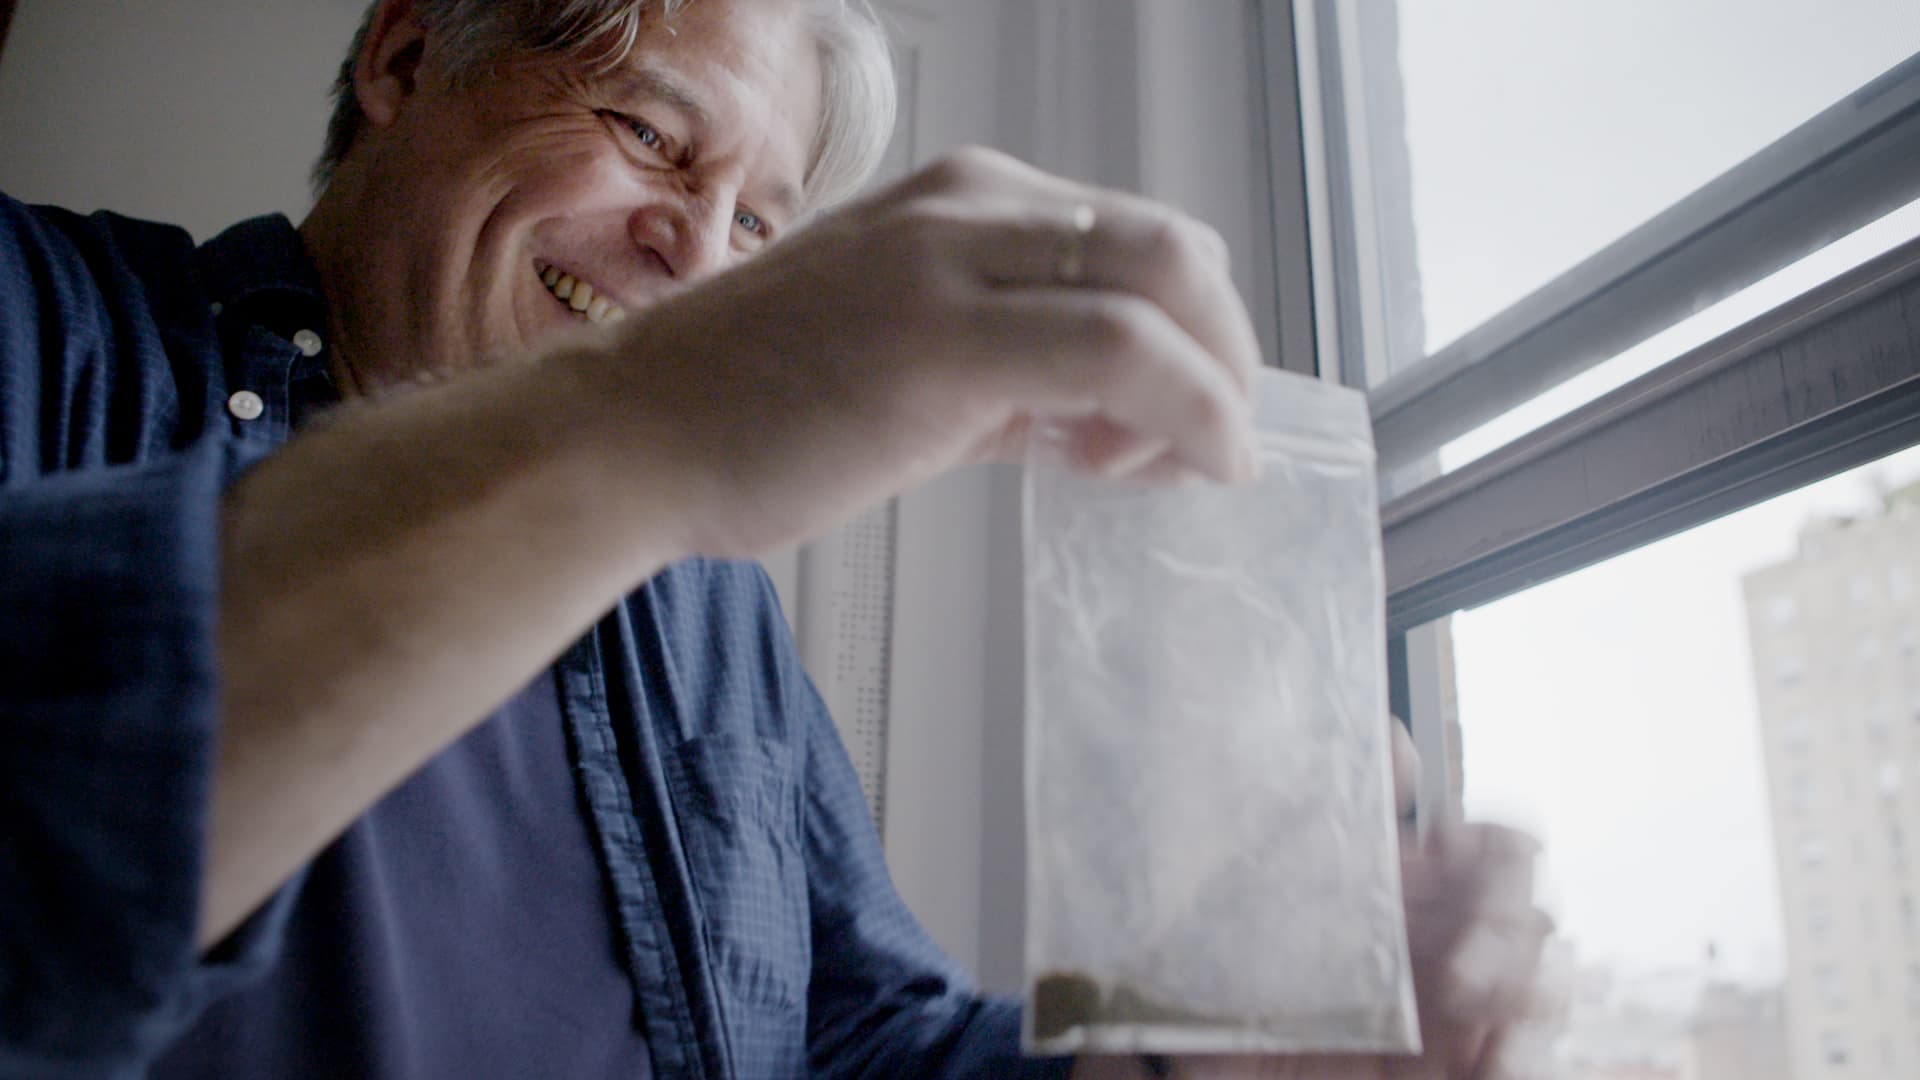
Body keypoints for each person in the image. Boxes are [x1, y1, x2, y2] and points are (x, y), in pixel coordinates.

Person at [0, 0, 1553, 1076]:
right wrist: (642, 428)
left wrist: (1183, 1061)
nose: (698, 255)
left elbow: (868, 1043)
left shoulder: (708, 615)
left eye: (757, 222)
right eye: (648, 134)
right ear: (406, 58)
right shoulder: (32, 318)